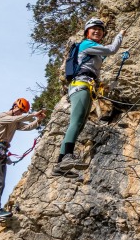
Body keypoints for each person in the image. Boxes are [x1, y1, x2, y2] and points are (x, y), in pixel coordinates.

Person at [52, 17, 124, 177]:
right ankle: (66, 157)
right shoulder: (87, 44)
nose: (98, 31)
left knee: (78, 124)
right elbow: (112, 49)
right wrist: (120, 35)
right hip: (81, 85)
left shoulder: (91, 49)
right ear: (87, 32)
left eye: (100, 30)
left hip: (83, 86)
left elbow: (102, 57)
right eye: (94, 29)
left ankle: (60, 163)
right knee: (76, 122)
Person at [0, 98, 45, 224]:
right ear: (14, 106)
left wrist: (38, 121)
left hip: (1, 152)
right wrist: (33, 114)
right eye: (19, 110)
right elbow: (16, 119)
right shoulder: (2, 116)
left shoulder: (15, 121)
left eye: (22, 111)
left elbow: (27, 127)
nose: (19, 113)